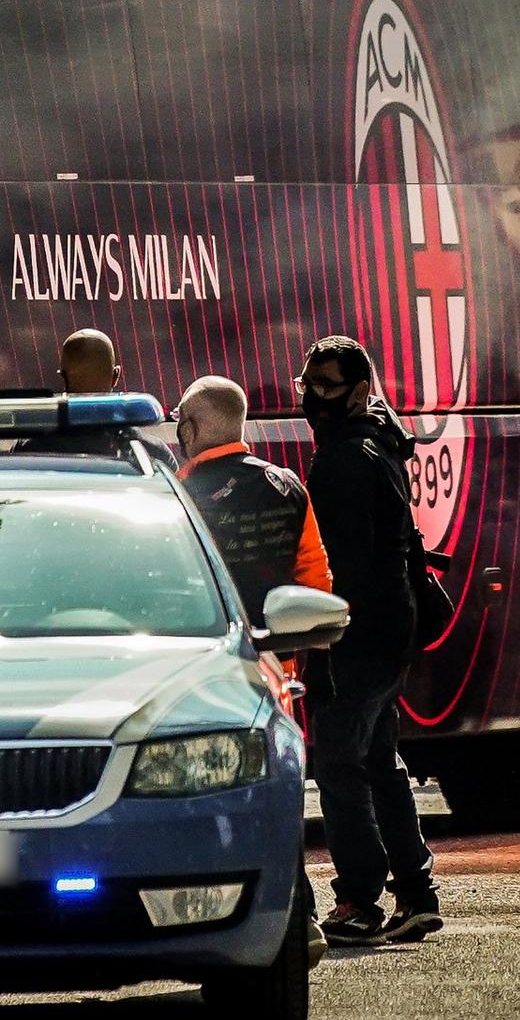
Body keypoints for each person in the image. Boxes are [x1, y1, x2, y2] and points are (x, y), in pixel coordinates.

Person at [296, 334, 440, 946]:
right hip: (392, 627)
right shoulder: (379, 443)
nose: (312, 398)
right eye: (307, 385)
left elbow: (340, 566)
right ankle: (416, 891)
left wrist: (320, 641)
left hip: (355, 632)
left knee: (339, 764)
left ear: (358, 392)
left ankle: (359, 899)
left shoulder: (342, 459)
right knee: (380, 759)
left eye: (326, 386)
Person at [173, 376, 330, 611]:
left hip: (209, 638)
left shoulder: (177, 496)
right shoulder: (286, 484)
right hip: (281, 640)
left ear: (187, 430)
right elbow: (315, 578)